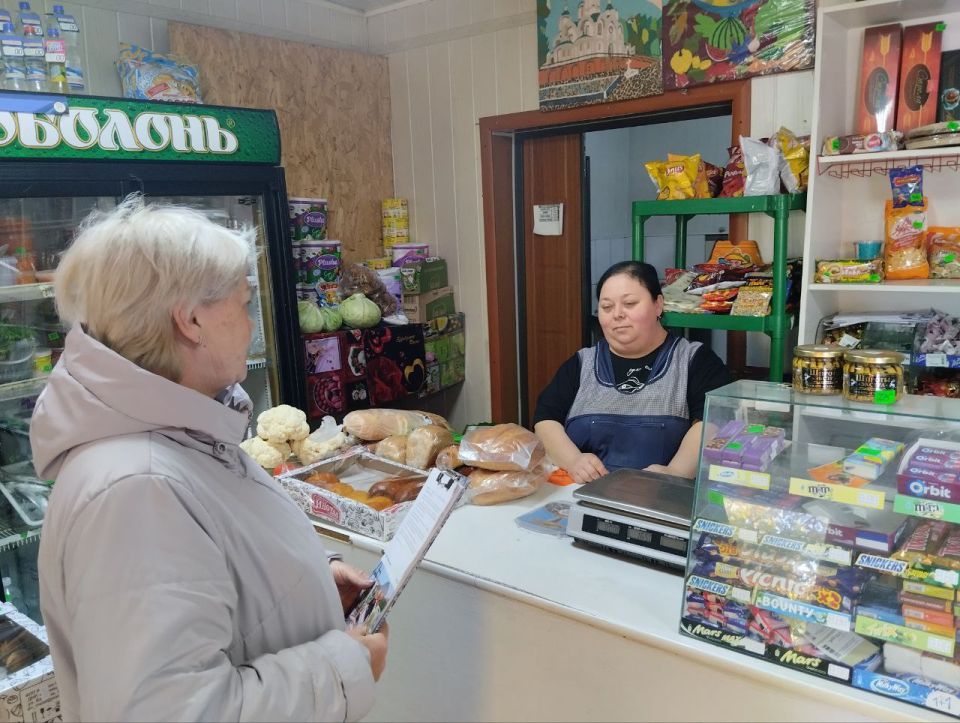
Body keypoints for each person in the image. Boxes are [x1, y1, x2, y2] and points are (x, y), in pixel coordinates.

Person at [30, 195, 388, 721]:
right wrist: (344, 667)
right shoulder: (137, 489)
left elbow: (216, 570)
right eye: (243, 304)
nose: (251, 325)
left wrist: (310, 579)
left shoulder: (181, 438)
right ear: (191, 320)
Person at [533, 260, 731, 483]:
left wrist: (675, 473)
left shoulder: (694, 360)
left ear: (658, 305)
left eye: (629, 303)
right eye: (607, 307)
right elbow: (546, 419)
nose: (617, 314)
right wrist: (574, 461)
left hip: (666, 495)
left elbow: (713, 421)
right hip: (586, 493)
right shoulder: (581, 363)